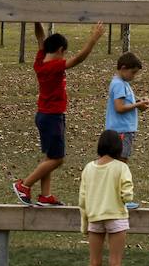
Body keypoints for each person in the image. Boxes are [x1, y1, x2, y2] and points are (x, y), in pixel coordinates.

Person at [13, 21, 104, 206]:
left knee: (50, 157)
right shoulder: (55, 66)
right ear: (61, 49)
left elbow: (40, 36)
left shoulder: (40, 61)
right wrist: (93, 39)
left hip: (45, 116)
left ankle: (45, 196)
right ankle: (24, 185)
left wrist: (36, 20)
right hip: (52, 117)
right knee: (57, 159)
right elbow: (78, 58)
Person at [75, 129, 136, 266]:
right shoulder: (121, 167)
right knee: (115, 264)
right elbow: (127, 194)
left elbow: (82, 199)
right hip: (116, 216)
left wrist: (84, 224)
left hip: (94, 218)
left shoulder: (89, 168)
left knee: (94, 264)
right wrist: (126, 196)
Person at [105, 51, 149, 162]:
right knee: (121, 160)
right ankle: (119, 179)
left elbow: (126, 101)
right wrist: (138, 104)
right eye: (133, 72)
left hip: (123, 129)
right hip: (121, 130)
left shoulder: (123, 83)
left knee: (119, 160)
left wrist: (139, 101)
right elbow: (119, 108)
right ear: (123, 68)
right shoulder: (119, 84)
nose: (134, 76)